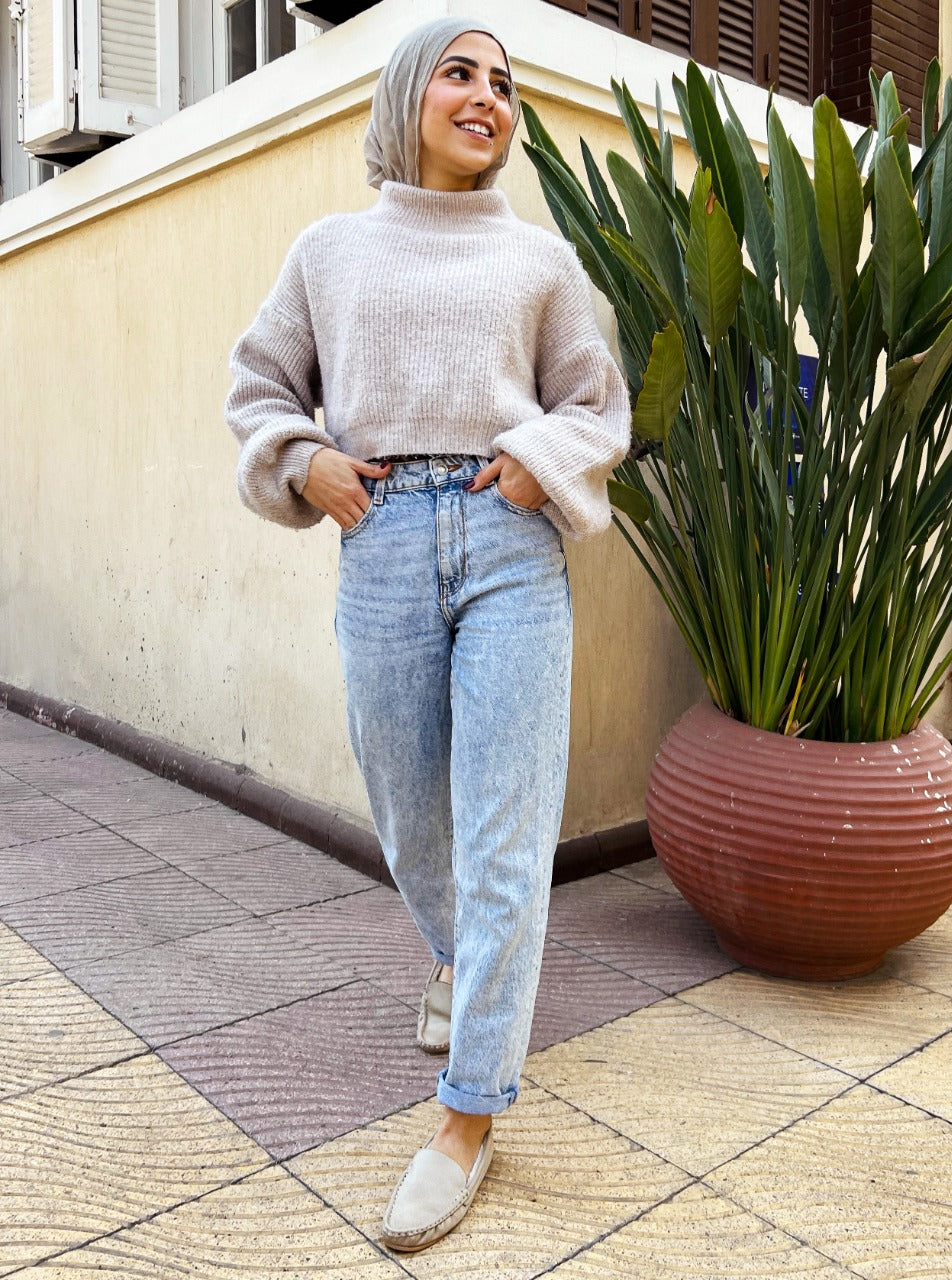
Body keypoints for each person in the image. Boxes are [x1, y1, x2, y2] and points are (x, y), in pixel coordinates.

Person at [225, 15, 630, 1254]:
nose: (486, 97)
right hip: (383, 538)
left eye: (502, 84)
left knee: (507, 831)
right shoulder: (329, 251)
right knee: (409, 810)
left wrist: (530, 469)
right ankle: (463, 968)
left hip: (510, 544)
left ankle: (467, 1115)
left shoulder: (540, 262)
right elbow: (259, 388)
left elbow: (593, 403)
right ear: (408, 93)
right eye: (460, 73)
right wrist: (306, 464)